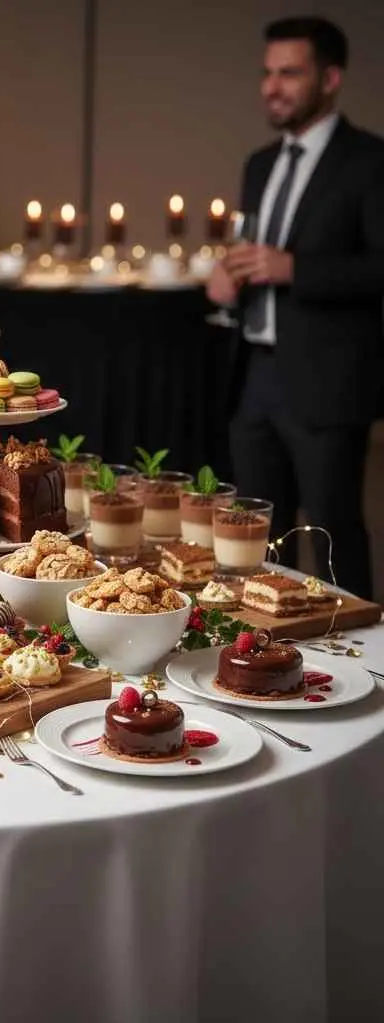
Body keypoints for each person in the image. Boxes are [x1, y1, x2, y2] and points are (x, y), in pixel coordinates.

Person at [207, 16, 384, 598]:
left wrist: (295, 269)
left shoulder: (368, 161)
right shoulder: (260, 164)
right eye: (266, 73)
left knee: (332, 536)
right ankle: (262, 664)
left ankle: (367, 663)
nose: (271, 86)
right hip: (252, 378)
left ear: (330, 78)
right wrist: (227, 276)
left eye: (289, 73)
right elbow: (250, 250)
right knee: (256, 540)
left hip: (327, 383)